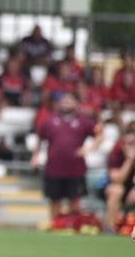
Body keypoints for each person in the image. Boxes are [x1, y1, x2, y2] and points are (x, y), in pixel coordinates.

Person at [30, 92, 104, 223]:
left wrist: (88, 148)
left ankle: (72, 226)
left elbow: (100, 134)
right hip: (54, 167)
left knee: (75, 201)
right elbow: (39, 138)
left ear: (76, 103)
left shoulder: (84, 121)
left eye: (69, 101)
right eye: (64, 101)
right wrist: (35, 156)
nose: (66, 103)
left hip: (75, 168)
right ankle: (55, 225)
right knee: (54, 200)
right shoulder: (50, 120)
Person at [104, 130, 135, 232]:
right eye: (125, 143)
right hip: (112, 187)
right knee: (117, 190)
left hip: (132, 188)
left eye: (132, 143)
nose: (128, 146)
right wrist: (129, 160)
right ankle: (109, 229)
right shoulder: (116, 154)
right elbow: (118, 180)